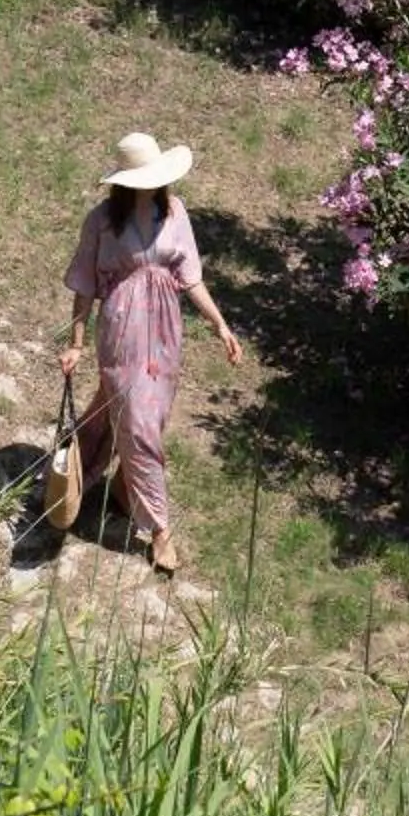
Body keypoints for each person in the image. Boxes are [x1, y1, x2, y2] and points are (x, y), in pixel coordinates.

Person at [60, 130, 241, 575]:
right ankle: (160, 530)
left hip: (165, 329)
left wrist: (220, 324)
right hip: (121, 329)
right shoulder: (102, 220)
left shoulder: (175, 212)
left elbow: (191, 277)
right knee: (139, 424)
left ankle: (117, 487)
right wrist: (77, 342)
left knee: (146, 418)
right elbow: (84, 284)